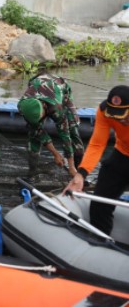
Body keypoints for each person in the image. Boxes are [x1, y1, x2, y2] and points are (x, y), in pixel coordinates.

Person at [64, 85, 129, 234]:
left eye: (125, 116)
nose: (122, 121)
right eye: (116, 116)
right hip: (122, 155)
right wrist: (81, 175)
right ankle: (101, 241)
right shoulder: (104, 111)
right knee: (99, 204)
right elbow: (97, 144)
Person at [18, 74, 84, 176]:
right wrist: (55, 153)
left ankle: (77, 172)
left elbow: (65, 135)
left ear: (44, 107)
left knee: (73, 131)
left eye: (42, 117)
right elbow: (38, 130)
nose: (42, 120)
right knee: (34, 135)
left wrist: (70, 166)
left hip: (61, 90)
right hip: (37, 82)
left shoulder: (56, 107)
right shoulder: (23, 106)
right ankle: (33, 171)